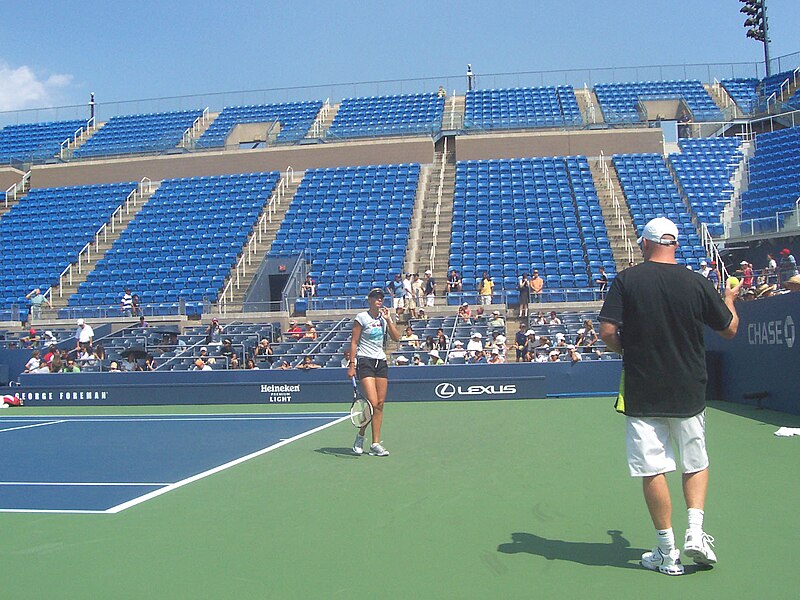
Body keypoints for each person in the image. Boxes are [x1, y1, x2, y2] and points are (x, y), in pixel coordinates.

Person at [598, 217, 740, 576]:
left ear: (645, 244)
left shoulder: (626, 280)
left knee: (653, 468)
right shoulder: (696, 282)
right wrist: (729, 300)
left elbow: (608, 331)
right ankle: (696, 531)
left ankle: (667, 549)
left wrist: (626, 352)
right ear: (675, 244)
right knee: (695, 460)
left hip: (643, 389)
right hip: (689, 388)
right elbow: (729, 329)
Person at [347, 288, 401, 457]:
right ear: (369, 300)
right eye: (376, 297)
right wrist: (352, 364)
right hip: (365, 361)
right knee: (371, 401)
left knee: (380, 404)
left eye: (381, 298)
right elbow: (354, 342)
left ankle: (375, 444)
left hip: (381, 361)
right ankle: (361, 436)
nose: (379, 300)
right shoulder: (361, 318)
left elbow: (397, 337)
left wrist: (389, 320)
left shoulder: (384, 319)